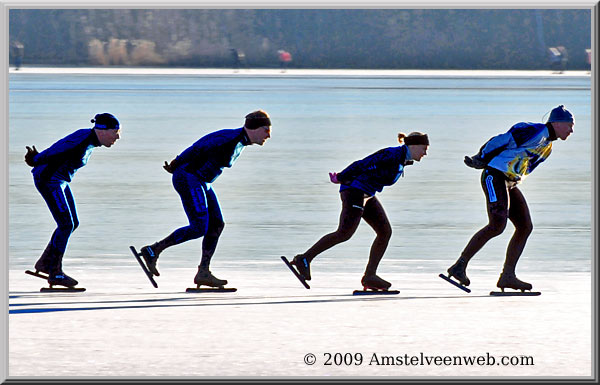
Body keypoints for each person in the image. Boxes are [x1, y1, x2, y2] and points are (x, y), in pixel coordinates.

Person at [447, 105, 575, 292]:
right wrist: (480, 158)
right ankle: (459, 266)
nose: (572, 130)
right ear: (556, 123)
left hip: (508, 182)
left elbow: (523, 166)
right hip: (494, 175)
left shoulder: (548, 146)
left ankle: (508, 276)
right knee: (497, 225)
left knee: (525, 226)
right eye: (569, 125)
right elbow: (501, 140)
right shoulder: (535, 130)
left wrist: (513, 181)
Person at [138, 110, 272, 287]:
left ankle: (203, 272)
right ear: (254, 128)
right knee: (199, 227)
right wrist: (176, 163)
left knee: (216, 224)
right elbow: (198, 146)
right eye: (266, 130)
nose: (269, 135)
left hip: (202, 182)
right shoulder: (229, 138)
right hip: (188, 177)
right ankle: (153, 250)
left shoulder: (240, 141)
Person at [289, 132, 430, 290]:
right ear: (414, 145)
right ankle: (304, 259)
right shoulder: (392, 154)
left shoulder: (402, 159)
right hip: (354, 190)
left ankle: (370, 276)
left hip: (367, 193)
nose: (425, 153)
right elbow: (362, 163)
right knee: (344, 233)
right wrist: (341, 176)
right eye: (424, 148)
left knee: (385, 231)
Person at [25, 113, 122, 287]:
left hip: (60, 180)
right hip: (49, 180)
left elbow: (61, 149)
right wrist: (36, 159)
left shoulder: (90, 139)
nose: (118, 137)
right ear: (103, 130)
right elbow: (58, 149)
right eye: (115, 131)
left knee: (72, 223)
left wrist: (39, 158)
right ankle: (55, 272)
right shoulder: (83, 139)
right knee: (66, 224)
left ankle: (46, 263)